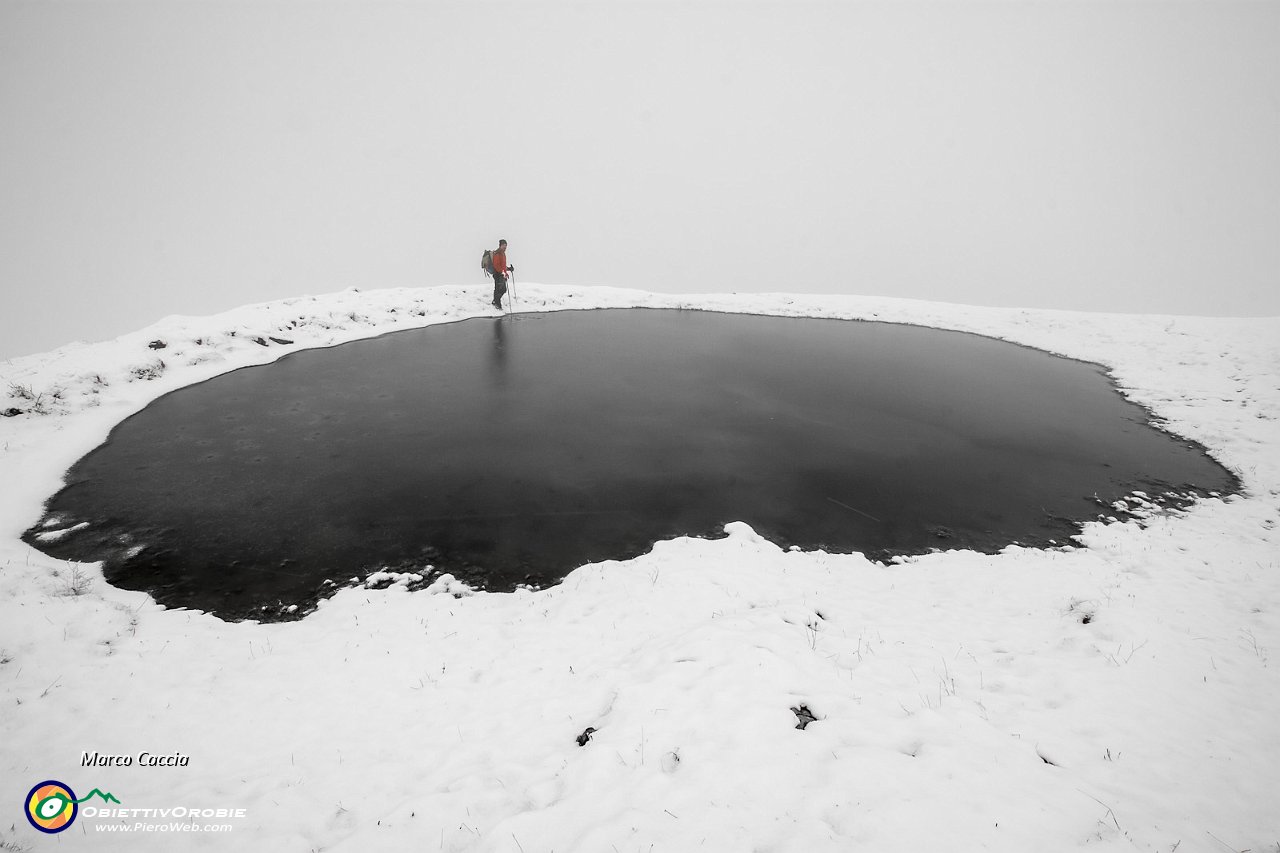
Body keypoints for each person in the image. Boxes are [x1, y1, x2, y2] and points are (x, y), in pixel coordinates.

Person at [490, 239, 513, 309]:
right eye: (503, 245)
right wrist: (503, 273)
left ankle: (495, 302)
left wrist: (508, 269)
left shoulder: (503, 253)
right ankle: (497, 304)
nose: (505, 247)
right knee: (499, 289)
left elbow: (502, 265)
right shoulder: (497, 253)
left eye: (506, 245)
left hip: (501, 274)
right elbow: (496, 265)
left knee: (502, 289)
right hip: (498, 274)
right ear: (500, 246)